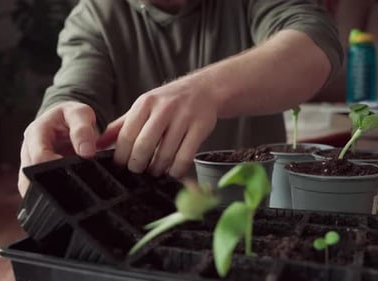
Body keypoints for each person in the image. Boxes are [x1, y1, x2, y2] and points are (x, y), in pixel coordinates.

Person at [18, 0, 343, 196]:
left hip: (259, 212)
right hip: (146, 224)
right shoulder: (94, 17)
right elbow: (75, 89)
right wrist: (56, 116)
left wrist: (208, 90)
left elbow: (313, 44)